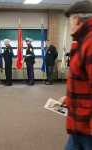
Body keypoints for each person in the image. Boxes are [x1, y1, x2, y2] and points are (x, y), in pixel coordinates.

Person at [62, 1, 92, 149]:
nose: (70, 26)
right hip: (78, 125)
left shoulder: (90, 43)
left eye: (70, 21)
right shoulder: (81, 41)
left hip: (88, 128)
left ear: (77, 20)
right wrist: (70, 99)